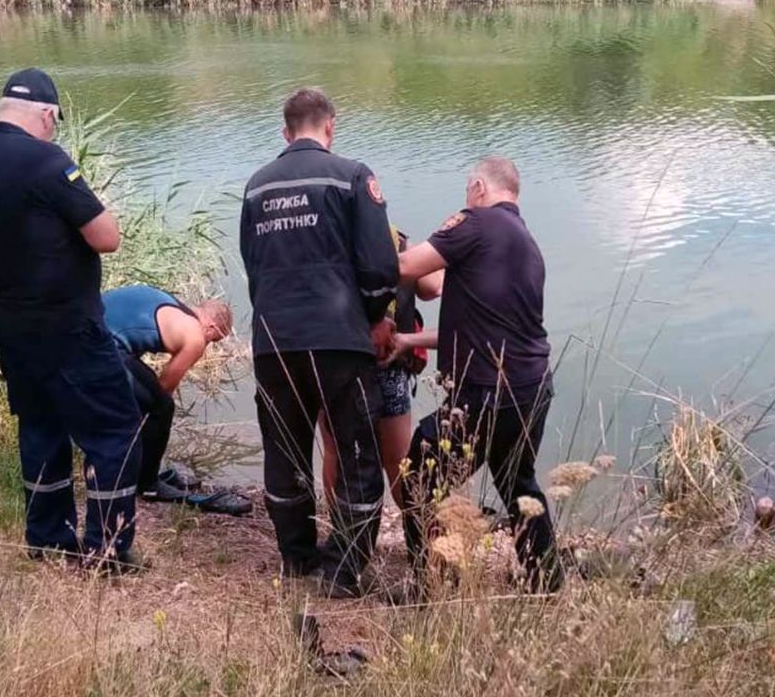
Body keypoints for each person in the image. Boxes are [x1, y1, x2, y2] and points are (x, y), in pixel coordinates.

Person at [0, 69, 142, 567]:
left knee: (40, 424)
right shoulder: (45, 161)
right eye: (56, 120)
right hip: (66, 325)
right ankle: (107, 551)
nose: (55, 129)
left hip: (7, 321)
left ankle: (48, 536)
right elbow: (107, 237)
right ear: (46, 113)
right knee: (114, 428)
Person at [239, 87, 399, 596]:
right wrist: (372, 315)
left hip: (273, 341)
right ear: (330, 127)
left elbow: (253, 265)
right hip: (339, 343)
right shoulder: (353, 176)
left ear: (285, 132)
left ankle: (297, 559)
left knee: (285, 454)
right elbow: (379, 267)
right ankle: (343, 570)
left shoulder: (256, 186)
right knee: (356, 455)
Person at [393, 155, 562, 594]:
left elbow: (405, 269)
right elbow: (473, 329)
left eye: (468, 190)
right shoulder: (527, 245)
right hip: (533, 389)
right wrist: (407, 342)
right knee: (517, 482)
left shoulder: (475, 222)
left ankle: (428, 583)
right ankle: (547, 581)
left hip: (486, 394)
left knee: (417, 479)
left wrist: (382, 238)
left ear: (479, 188)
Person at [101, 284, 251, 516]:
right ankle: (148, 484)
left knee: (143, 399)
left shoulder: (172, 306)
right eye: (214, 340)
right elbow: (164, 388)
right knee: (162, 407)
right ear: (210, 327)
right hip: (102, 345)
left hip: (85, 328)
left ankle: (135, 469)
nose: (208, 345)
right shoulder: (195, 336)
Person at [321, 225, 442, 512]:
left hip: (334, 357)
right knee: (398, 458)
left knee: (336, 451)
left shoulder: (326, 236)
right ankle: (418, 532)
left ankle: (340, 528)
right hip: (386, 359)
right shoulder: (393, 238)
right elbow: (433, 287)